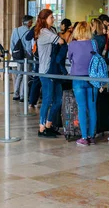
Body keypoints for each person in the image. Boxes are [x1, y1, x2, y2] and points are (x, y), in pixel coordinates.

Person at [35, 9, 65, 138]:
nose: (53, 19)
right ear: (44, 19)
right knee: (47, 99)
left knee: (58, 100)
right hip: (46, 70)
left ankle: (48, 125)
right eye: (51, 17)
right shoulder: (44, 32)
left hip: (54, 70)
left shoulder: (51, 30)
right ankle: (41, 129)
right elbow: (61, 41)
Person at [67, 21, 98, 146]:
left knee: (81, 108)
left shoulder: (73, 44)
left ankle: (84, 137)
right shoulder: (93, 43)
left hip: (78, 78)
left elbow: (70, 58)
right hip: (93, 79)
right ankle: (92, 136)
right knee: (92, 108)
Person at [10, 14, 34, 102]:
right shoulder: (28, 32)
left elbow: (12, 44)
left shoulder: (15, 30)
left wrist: (15, 53)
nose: (32, 23)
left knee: (19, 74)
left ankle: (16, 94)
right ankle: (22, 95)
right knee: (26, 75)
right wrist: (30, 56)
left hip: (18, 56)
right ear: (28, 22)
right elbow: (28, 47)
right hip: (26, 56)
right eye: (31, 22)